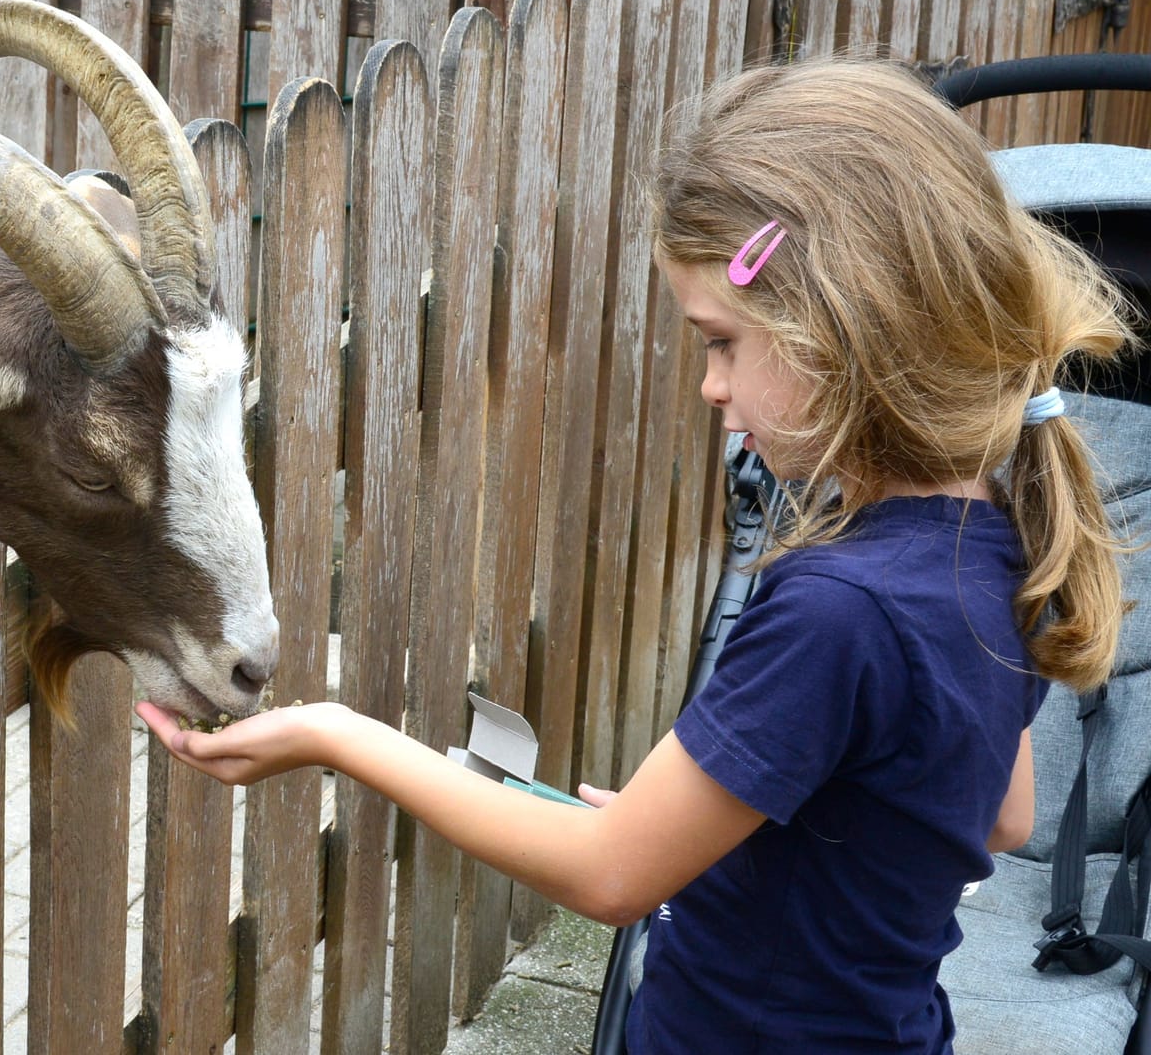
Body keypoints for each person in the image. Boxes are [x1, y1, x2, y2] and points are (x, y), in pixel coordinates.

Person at [134, 56, 1135, 1053]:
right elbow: (998, 816)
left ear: (841, 327)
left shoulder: (838, 607)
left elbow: (609, 878)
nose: (708, 384)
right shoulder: (1004, 539)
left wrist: (339, 734)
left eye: (721, 341)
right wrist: (707, 825)